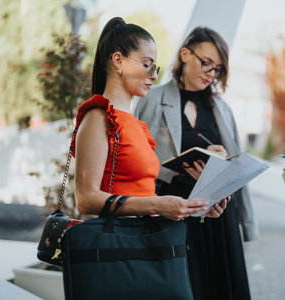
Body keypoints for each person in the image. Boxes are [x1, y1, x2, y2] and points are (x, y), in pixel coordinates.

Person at [72, 17, 229, 294]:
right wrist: (157, 203)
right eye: (146, 65)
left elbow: (144, 192)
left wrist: (197, 209)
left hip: (146, 245)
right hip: (119, 250)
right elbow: (85, 198)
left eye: (154, 67)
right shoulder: (99, 118)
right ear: (118, 61)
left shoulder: (134, 123)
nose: (154, 75)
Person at [135, 27, 257, 300]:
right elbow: (139, 160)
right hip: (173, 212)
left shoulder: (222, 108)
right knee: (186, 286)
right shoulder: (152, 99)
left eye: (218, 69)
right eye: (206, 63)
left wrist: (219, 164)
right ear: (185, 54)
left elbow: (237, 162)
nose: (211, 74)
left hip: (219, 215)